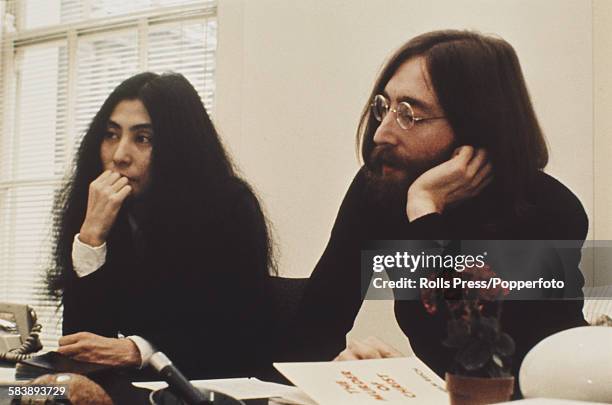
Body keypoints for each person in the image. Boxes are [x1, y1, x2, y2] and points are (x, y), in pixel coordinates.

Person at [289, 30, 588, 390]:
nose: (381, 134)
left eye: (410, 114)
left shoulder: (550, 212)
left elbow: (481, 362)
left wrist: (425, 210)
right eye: (384, 108)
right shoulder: (379, 190)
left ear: (475, 126)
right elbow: (316, 322)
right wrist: (338, 371)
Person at [46, 72, 275, 379]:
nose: (119, 155)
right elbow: (83, 348)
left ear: (178, 147)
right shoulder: (101, 209)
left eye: (143, 139)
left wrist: (137, 350)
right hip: (116, 393)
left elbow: (230, 337)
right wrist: (91, 238)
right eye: (111, 134)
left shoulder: (229, 207)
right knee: (24, 392)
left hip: (197, 393)